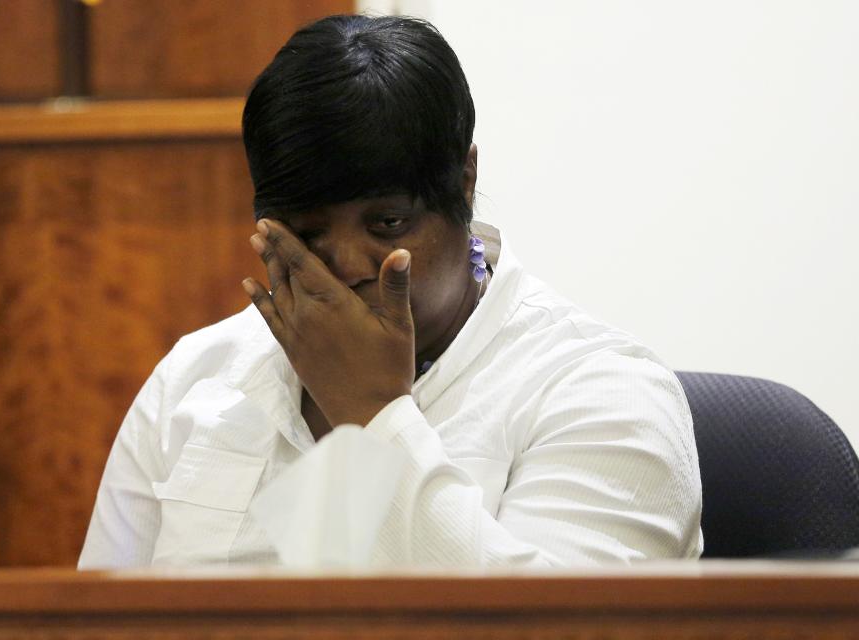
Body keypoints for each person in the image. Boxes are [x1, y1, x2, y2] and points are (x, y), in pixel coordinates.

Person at [78, 15, 702, 568]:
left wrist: (372, 415)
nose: (348, 264)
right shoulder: (195, 377)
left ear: (464, 181)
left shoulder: (605, 394)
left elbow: (555, 627)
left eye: (388, 224)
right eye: (308, 231)